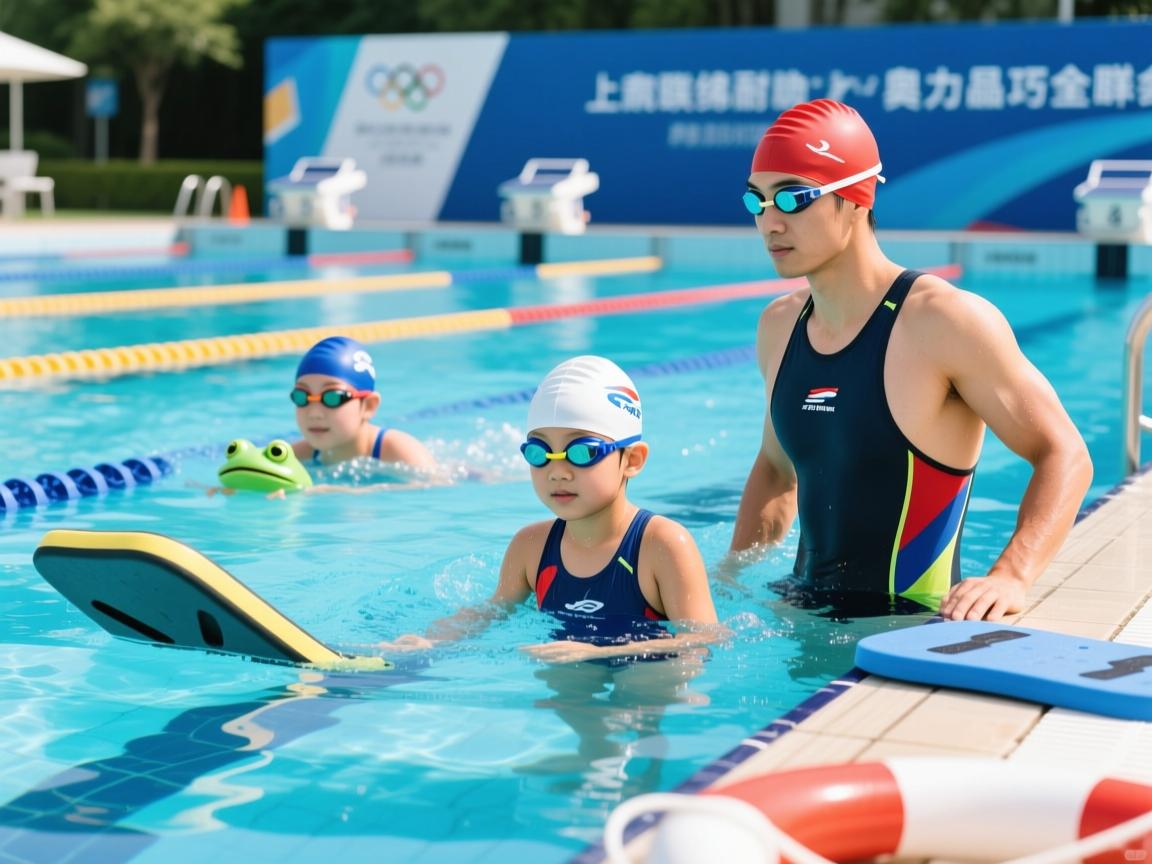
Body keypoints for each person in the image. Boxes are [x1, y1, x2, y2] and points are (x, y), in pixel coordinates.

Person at [729, 98, 1092, 622]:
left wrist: (1011, 575)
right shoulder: (780, 325)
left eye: (793, 198)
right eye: (756, 201)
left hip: (909, 626)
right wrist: (731, 583)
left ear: (855, 197)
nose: (769, 221)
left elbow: (1065, 454)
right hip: (796, 617)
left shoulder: (944, 322)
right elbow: (775, 469)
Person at [385, 354, 721, 662]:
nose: (557, 470)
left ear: (631, 460)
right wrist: (433, 640)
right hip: (568, 660)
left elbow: (705, 639)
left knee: (647, 683)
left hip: (652, 667)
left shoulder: (660, 544)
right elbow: (492, 612)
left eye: (582, 452)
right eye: (540, 452)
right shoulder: (530, 547)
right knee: (563, 686)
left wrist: (598, 652)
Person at [290, 336, 435, 471]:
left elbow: (433, 484)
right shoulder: (295, 457)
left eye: (333, 397)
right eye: (301, 397)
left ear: (369, 406)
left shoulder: (401, 452)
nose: (314, 413)